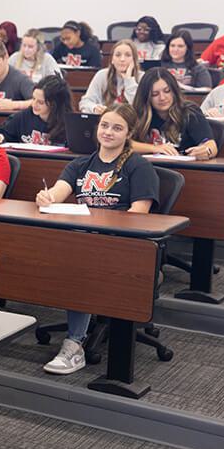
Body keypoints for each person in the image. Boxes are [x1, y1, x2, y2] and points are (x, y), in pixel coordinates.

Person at [35, 104, 159, 375]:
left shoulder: (139, 167)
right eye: (105, 125)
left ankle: (74, 344)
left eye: (117, 127)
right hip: (83, 242)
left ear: (129, 134)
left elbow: (139, 215)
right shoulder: (80, 164)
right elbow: (57, 192)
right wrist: (46, 197)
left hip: (122, 245)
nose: (108, 132)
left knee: (81, 267)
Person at [131, 68, 218, 160]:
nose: (162, 98)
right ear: (146, 97)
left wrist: (207, 150)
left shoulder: (190, 112)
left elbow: (211, 144)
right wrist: (155, 148)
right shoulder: (139, 113)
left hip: (184, 169)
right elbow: (124, 144)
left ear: (174, 91)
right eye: (155, 94)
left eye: (167, 91)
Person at [0, 75, 71, 146]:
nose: (34, 104)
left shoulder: (69, 124)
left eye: (41, 102)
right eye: (33, 99)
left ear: (54, 105)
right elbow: (3, 132)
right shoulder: (23, 117)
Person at [80, 40, 142, 114]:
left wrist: (128, 80)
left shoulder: (142, 77)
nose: (122, 59)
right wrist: (94, 108)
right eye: (118, 55)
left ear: (135, 60)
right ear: (112, 59)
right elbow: (85, 102)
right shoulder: (102, 75)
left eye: (128, 55)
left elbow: (140, 108)